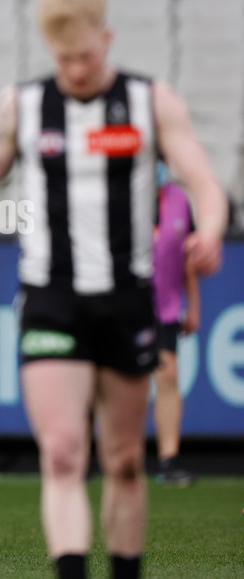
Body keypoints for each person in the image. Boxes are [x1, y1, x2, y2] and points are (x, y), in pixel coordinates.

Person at [0, 0, 227, 578]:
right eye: (62, 59)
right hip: (51, 300)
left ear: (107, 41)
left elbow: (201, 177)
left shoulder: (152, 102)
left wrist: (213, 229)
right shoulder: (24, 106)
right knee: (64, 454)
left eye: (85, 57)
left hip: (125, 300)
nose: (74, 70)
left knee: (121, 459)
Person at [152, 163, 200, 487]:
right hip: (120, 305)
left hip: (164, 307)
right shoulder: (118, 196)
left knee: (168, 375)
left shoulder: (180, 200)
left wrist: (193, 305)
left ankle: (169, 460)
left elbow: (188, 258)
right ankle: (85, 459)